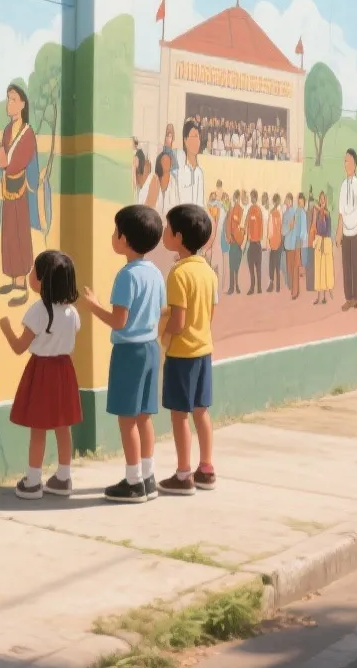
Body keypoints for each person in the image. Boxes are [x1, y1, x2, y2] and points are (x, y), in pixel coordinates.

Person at [78, 204, 166, 503]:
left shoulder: (126, 276)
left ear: (125, 240)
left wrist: (93, 305)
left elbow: (119, 321)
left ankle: (132, 482)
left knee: (126, 418)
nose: (113, 236)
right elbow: (161, 309)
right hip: (152, 349)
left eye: (116, 231)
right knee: (144, 417)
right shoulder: (154, 272)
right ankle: (148, 476)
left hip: (130, 351)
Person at [0, 249, 83, 500]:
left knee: (38, 428)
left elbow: (18, 347)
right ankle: (64, 477)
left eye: (34, 272)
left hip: (42, 372)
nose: (29, 275)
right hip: (64, 371)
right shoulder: (72, 312)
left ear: (43, 281)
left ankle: (33, 481)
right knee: (62, 426)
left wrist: (5, 328)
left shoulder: (38, 311)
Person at [158, 203, 219, 496]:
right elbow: (210, 313)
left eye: (167, 229)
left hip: (182, 355)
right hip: (204, 351)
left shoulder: (177, 274)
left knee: (180, 415)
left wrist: (163, 330)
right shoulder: (208, 272)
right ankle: (205, 469)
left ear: (179, 237)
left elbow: (178, 321)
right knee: (201, 412)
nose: (164, 233)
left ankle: (183, 474)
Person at [0, 84, 38, 304]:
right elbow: (3, 159)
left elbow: (20, 161)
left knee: (20, 231)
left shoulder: (28, 133)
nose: (9, 103)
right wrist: (0, 159)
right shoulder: (6, 130)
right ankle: (13, 278)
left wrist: (6, 164)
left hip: (20, 188)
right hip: (7, 188)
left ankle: (22, 284)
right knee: (9, 233)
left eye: (13, 99)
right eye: (8, 98)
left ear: (22, 104)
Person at [338, 149, 357, 311]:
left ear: (355, 164)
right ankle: (349, 298)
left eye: (348, 161)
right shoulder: (343, 186)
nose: (346, 164)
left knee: (355, 266)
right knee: (346, 266)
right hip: (345, 232)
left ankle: (355, 297)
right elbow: (341, 212)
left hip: (356, 231)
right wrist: (338, 234)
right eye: (345, 161)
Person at [170, 120, 205, 211]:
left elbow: (200, 204)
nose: (197, 141)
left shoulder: (199, 173)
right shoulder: (179, 170)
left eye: (198, 137)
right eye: (194, 137)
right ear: (185, 140)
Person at [311, 191, 335, 304]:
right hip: (319, 240)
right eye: (320, 199)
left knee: (325, 269)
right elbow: (315, 226)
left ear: (325, 201)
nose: (321, 201)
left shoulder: (327, 213)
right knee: (318, 270)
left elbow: (327, 229)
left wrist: (318, 209)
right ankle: (318, 297)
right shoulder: (318, 213)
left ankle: (325, 296)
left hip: (326, 242)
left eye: (323, 199)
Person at [283, 191, 307, 298]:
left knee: (295, 268)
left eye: (301, 201)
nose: (300, 202)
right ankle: (294, 290)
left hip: (296, 244)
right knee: (291, 268)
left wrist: (299, 244)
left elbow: (302, 231)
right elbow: (290, 227)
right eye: (299, 201)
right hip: (291, 244)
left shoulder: (300, 212)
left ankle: (295, 292)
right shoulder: (296, 211)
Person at [224, 190, 246, 295]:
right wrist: (229, 237)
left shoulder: (241, 210)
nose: (236, 200)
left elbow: (243, 228)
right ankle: (232, 287)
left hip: (238, 242)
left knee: (236, 264)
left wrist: (240, 239)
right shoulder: (231, 210)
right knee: (232, 265)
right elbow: (227, 225)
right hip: (233, 241)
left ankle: (236, 286)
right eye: (236, 198)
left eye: (237, 198)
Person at [243, 192, 265, 294]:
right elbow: (246, 222)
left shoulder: (258, 210)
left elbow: (261, 225)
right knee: (251, 266)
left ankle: (259, 288)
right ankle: (252, 287)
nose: (252, 199)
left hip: (257, 243)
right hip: (251, 243)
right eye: (251, 197)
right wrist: (247, 234)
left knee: (258, 268)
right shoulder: (250, 209)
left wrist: (258, 237)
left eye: (253, 197)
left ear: (255, 198)